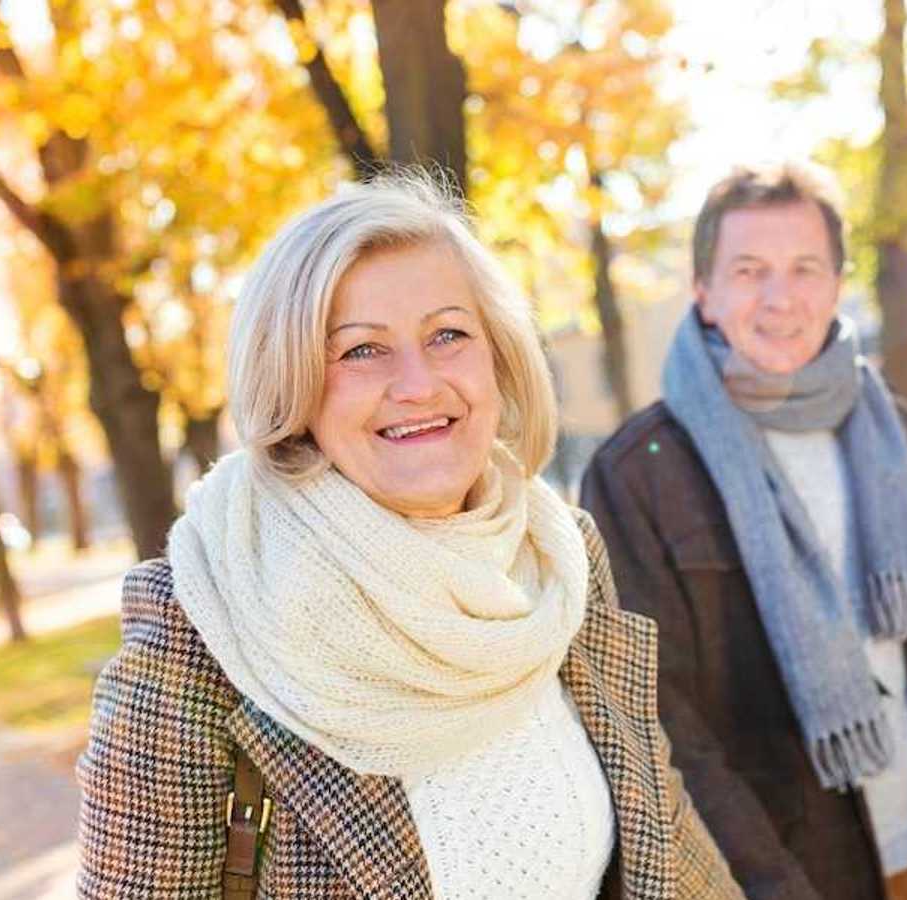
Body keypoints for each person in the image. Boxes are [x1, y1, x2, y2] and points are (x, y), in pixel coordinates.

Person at [77, 174, 741, 900]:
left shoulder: (556, 554)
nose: (418, 384)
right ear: (293, 384)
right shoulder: (201, 619)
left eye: (448, 334)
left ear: (499, 356)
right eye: (361, 350)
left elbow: (664, 834)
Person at [580, 162, 907, 900]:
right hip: (800, 872)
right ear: (703, 294)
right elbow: (661, 721)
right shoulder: (639, 474)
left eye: (805, 268)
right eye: (749, 270)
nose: (781, 297)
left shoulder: (892, 427)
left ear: (837, 285)